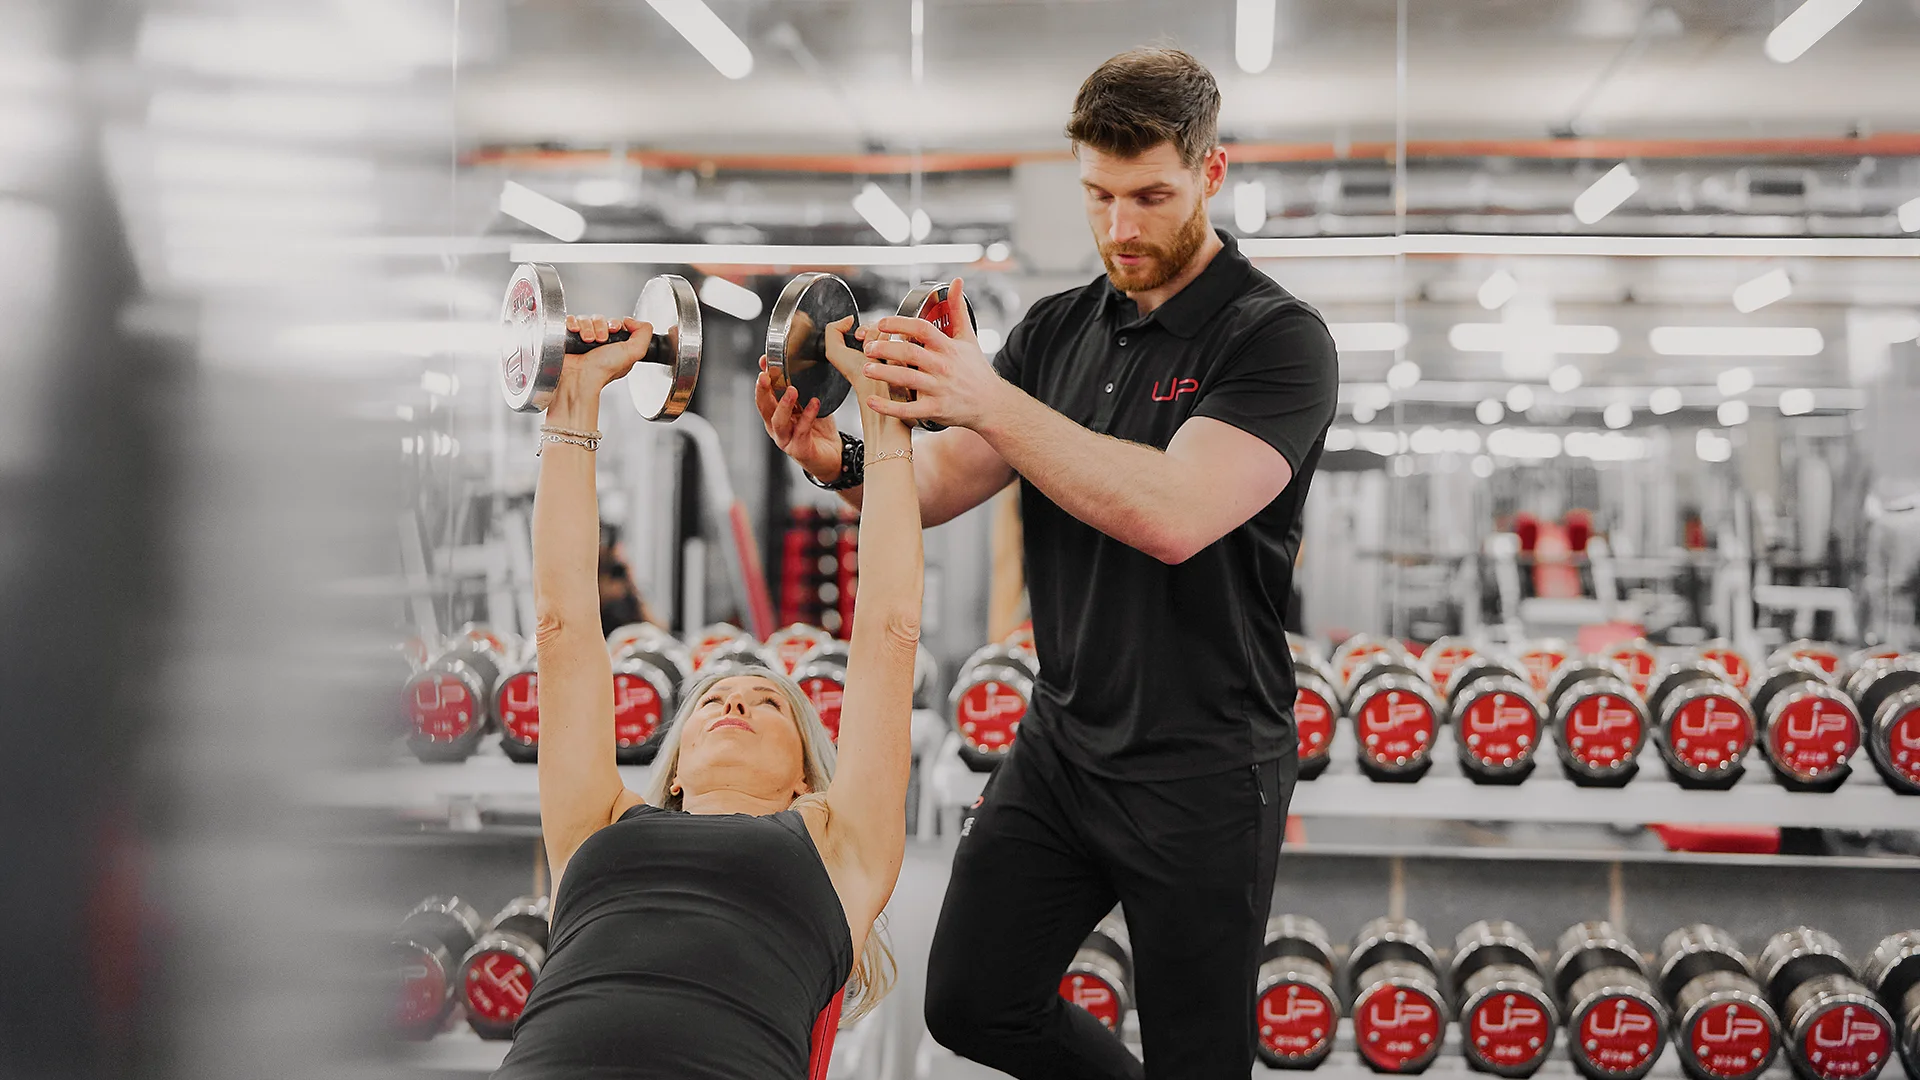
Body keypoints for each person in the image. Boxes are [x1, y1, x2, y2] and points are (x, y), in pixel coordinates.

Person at [756, 48, 1338, 1080]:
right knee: (973, 1003)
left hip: (1205, 764)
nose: (1121, 228)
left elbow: (1173, 513)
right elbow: (941, 484)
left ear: (1212, 173)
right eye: (1099, 197)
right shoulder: (1057, 330)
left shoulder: (1278, 340)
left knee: (1198, 1060)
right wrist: (836, 461)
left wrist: (986, 396)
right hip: (1064, 744)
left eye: (1152, 195)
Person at [495, 310, 924, 1079]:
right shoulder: (597, 821)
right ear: (678, 765)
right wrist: (576, 395)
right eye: (714, 700)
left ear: (804, 776)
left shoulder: (839, 844)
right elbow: (561, 629)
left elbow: (889, 632)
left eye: (767, 704)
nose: (734, 704)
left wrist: (884, 419)